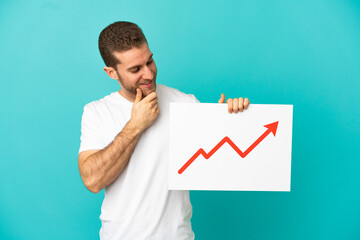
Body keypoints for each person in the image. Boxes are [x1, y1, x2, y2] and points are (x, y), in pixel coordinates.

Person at [78, 21, 250, 240]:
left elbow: (222, 158)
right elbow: (92, 181)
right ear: (112, 72)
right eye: (135, 69)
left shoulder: (186, 104)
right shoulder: (97, 112)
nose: (149, 74)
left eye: (149, 61)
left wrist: (233, 118)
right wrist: (136, 125)